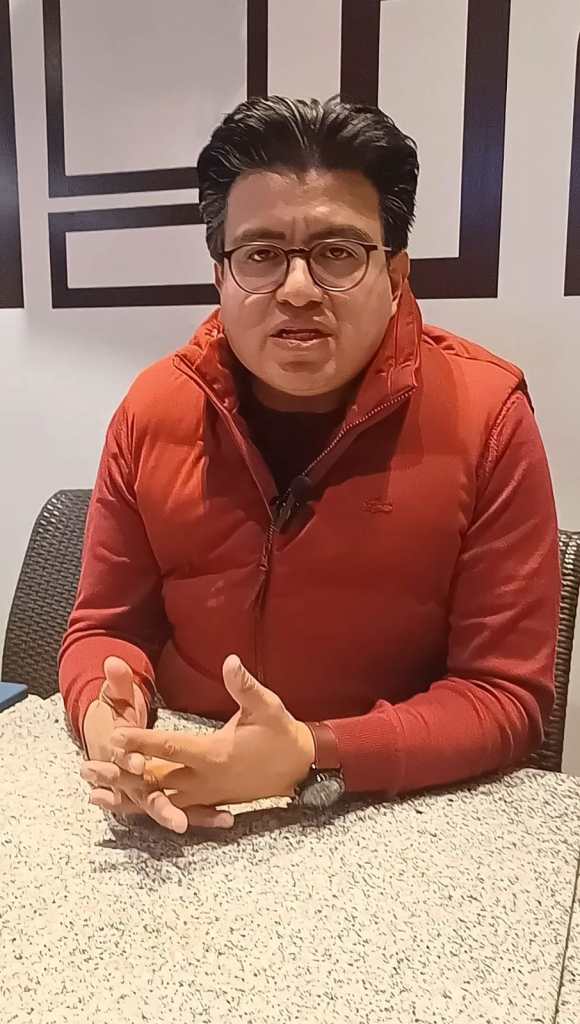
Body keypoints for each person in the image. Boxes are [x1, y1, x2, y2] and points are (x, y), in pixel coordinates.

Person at [59, 95, 560, 834]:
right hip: (178, 800)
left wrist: (310, 755)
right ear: (221, 276)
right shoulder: (152, 408)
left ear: (396, 274)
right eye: (260, 254)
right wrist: (113, 726)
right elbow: (103, 630)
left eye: (337, 254)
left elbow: (504, 698)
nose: (297, 289)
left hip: (386, 811)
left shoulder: (487, 415)